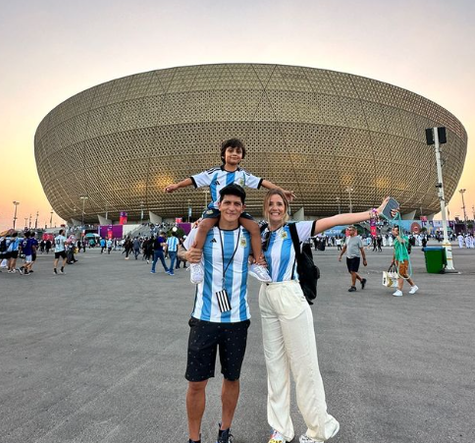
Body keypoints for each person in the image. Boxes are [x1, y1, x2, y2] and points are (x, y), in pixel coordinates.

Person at [259, 189, 390, 443]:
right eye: (271, 203)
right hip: (266, 297)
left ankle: (320, 429)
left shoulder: (297, 230)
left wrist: (373, 212)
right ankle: (281, 429)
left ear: (286, 208)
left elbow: (337, 219)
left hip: (289, 294)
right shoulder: (261, 232)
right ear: (265, 207)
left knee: (304, 365)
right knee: (274, 366)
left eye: (279, 204)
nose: (275, 208)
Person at [179, 184, 253, 443]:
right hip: (204, 319)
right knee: (196, 383)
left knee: (232, 378)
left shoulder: (250, 234)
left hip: (237, 320)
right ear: (219, 205)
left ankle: (224, 431)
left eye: (237, 204)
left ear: (242, 208)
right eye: (227, 203)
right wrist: (186, 254)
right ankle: (194, 438)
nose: (231, 208)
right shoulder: (204, 229)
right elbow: (180, 250)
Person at [165, 138, 295, 284]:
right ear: (223, 155)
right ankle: (195, 263)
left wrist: (282, 191)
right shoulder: (214, 172)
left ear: (242, 157)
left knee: (254, 227)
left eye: (238, 152)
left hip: (236, 210)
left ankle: (258, 264)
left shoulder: (243, 174)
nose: (234, 154)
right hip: (216, 209)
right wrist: (177, 185)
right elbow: (193, 179)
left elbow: (263, 182)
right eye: (230, 151)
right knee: (203, 226)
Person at [391, 226, 419, 297]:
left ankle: (399, 290)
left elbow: (402, 242)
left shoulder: (404, 238)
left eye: (394, 230)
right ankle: (413, 286)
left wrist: (397, 236)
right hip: (398, 258)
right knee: (403, 273)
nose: (392, 231)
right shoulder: (395, 239)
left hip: (403, 258)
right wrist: (393, 259)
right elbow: (395, 250)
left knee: (400, 274)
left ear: (398, 232)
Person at [338, 226, 367, 292]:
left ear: (354, 231)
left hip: (355, 257)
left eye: (351, 230)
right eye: (348, 230)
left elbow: (362, 250)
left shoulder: (358, 239)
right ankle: (362, 280)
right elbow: (345, 247)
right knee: (350, 271)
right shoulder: (347, 238)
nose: (349, 231)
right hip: (348, 257)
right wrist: (340, 255)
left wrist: (364, 260)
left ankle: (353, 286)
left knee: (353, 271)